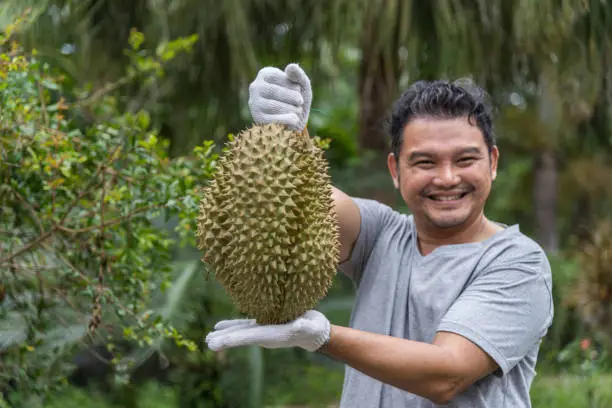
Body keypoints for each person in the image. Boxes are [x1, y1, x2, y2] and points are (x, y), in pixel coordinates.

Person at [205, 64, 554, 407]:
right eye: (425, 163)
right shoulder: (382, 234)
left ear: (492, 162)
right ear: (395, 170)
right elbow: (304, 201)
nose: (447, 178)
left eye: (465, 159)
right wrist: (290, 125)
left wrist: (323, 337)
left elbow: (447, 374)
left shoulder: (519, 263)